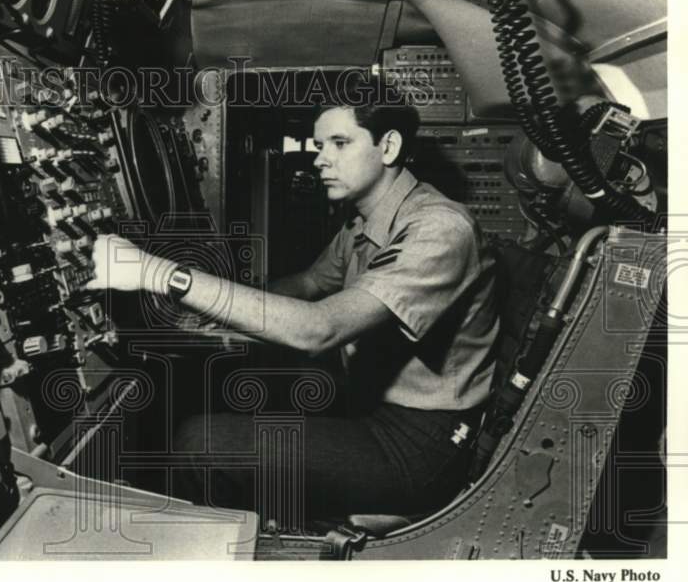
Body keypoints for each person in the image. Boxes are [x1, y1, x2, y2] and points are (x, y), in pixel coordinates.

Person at [87, 90, 499, 530]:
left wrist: (158, 273)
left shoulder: (439, 229)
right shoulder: (363, 219)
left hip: (420, 445)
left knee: (199, 442)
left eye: (340, 144)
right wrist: (221, 312)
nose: (321, 160)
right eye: (319, 146)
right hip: (370, 405)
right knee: (225, 383)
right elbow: (308, 284)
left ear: (389, 147)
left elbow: (319, 329)